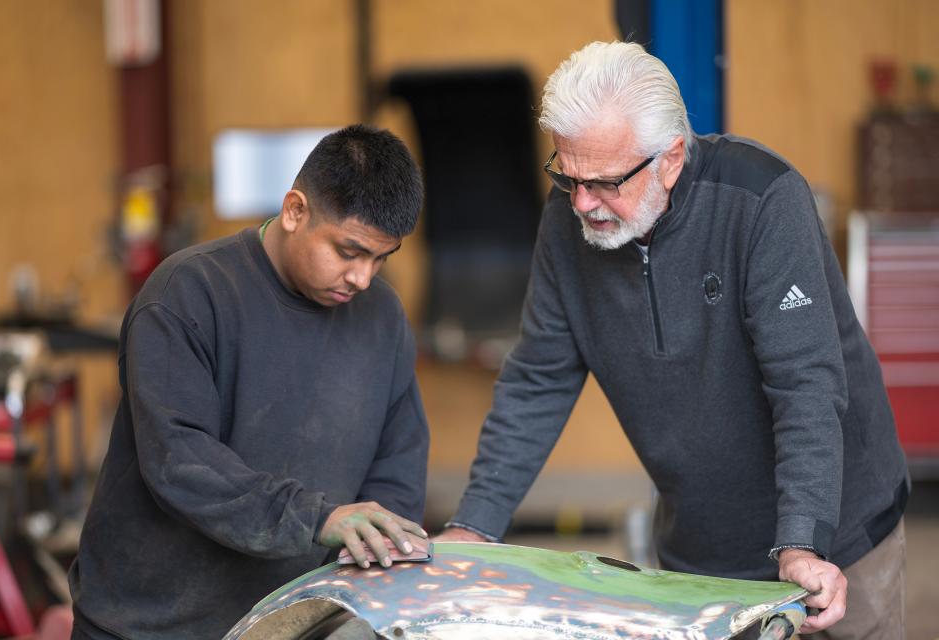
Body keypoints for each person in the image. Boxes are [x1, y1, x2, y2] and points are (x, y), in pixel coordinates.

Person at [436, 42, 909, 638]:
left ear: (671, 159)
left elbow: (805, 385)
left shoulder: (762, 202)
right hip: (701, 547)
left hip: (836, 536)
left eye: (604, 182)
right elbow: (538, 379)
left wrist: (802, 541)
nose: (582, 203)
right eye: (567, 174)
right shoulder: (566, 224)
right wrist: (475, 527)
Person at [69, 124, 431, 639]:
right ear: (295, 211)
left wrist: (378, 554)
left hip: (288, 625)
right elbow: (180, 459)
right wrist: (316, 519)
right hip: (148, 624)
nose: (363, 277)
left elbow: (397, 462)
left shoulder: (382, 318)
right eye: (349, 251)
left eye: (381, 257)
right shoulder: (186, 294)